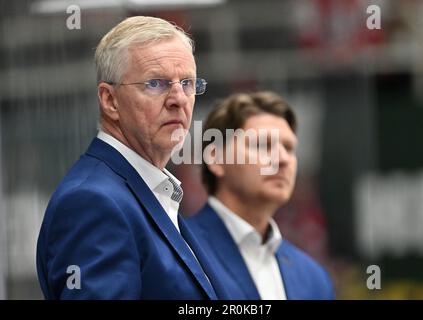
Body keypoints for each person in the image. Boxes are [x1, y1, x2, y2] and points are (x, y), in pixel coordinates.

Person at [36, 16, 227, 299]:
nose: (179, 99)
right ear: (110, 100)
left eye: (187, 82)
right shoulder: (92, 203)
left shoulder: (148, 191)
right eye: (156, 84)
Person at [188, 91, 335, 299]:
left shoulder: (314, 279)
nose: (283, 159)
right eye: (263, 145)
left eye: (289, 148)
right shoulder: (178, 251)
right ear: (216, 158)